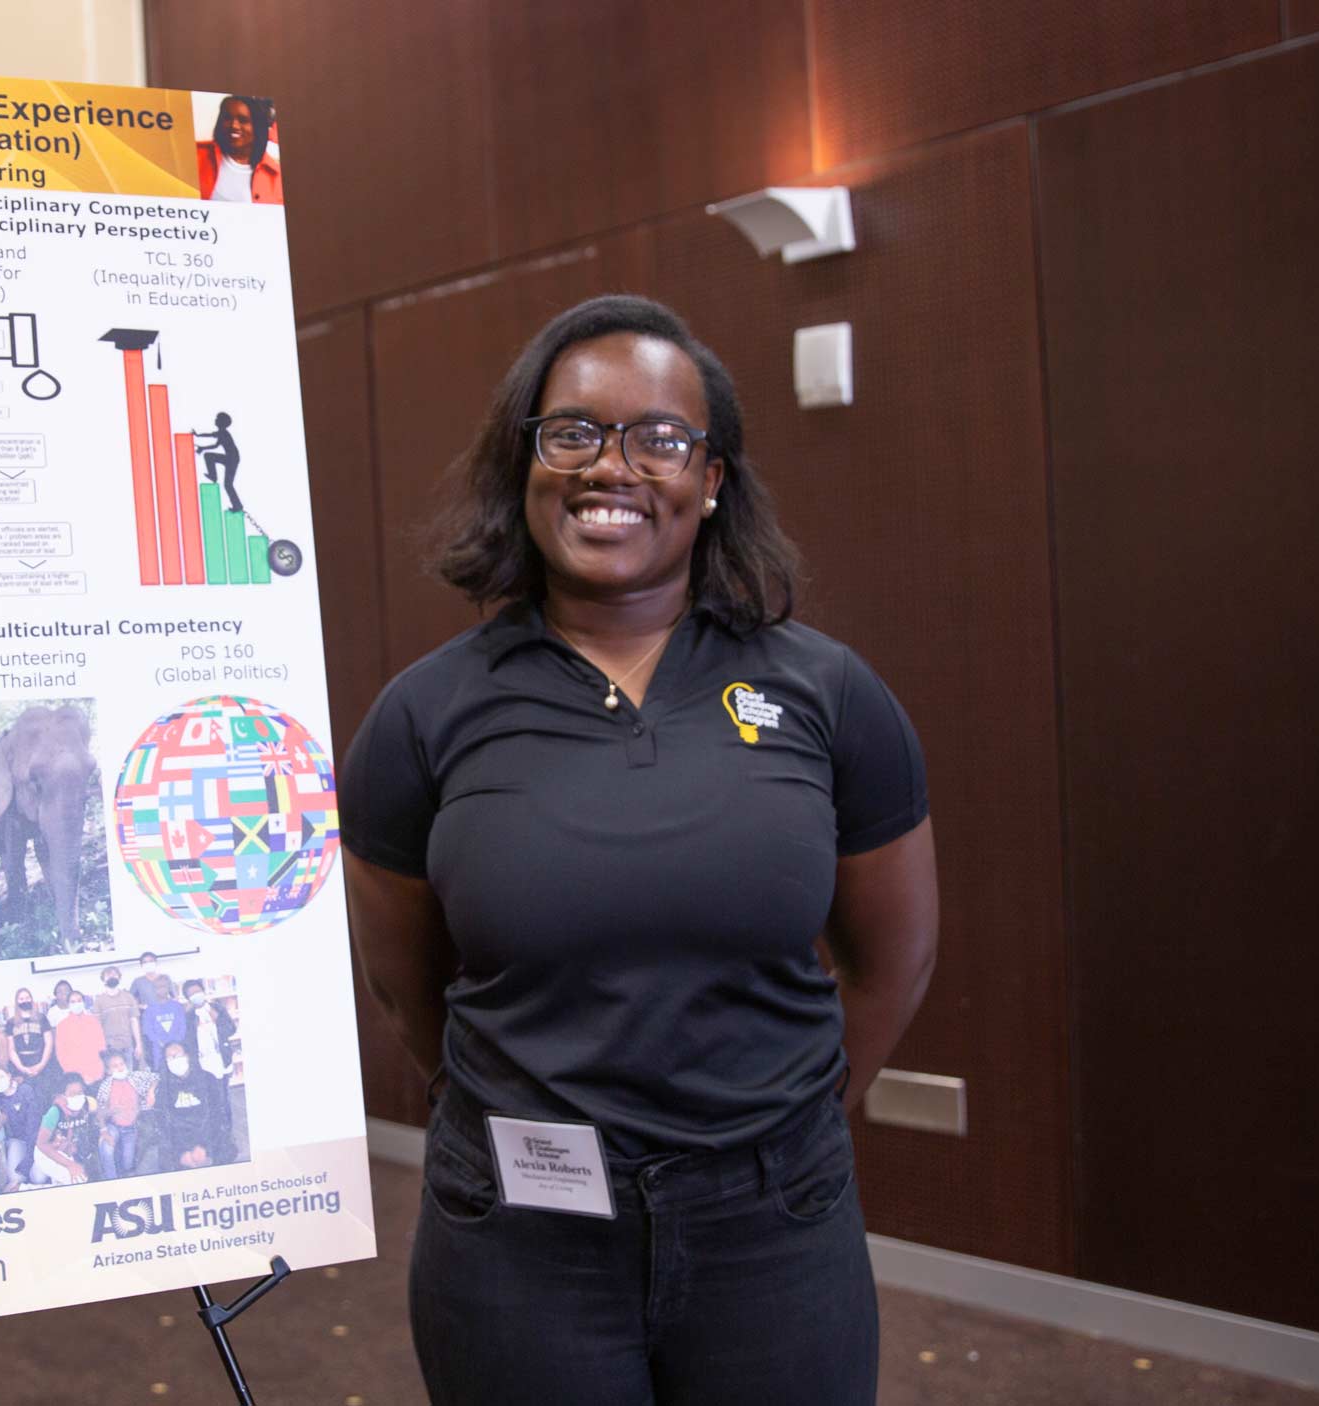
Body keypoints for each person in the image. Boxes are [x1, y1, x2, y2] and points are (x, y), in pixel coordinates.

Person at [340, 295, 937, 1406]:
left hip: (775, 1228)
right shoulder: (423, 716)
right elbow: (405, 985)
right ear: (522, 463)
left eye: (660, 437)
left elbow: (891, 960)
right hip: (521, 1239)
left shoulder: (826, 691)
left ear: (711, 481)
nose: (610, 466)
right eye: (572, 432)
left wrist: (778, 1127)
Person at [152, 1041, 229, 1170]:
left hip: (207, 1139)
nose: (174, 1060)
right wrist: (182, 1153)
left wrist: (204, 1147)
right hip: (180, 1146)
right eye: (169, 1058)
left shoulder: (208, 1079)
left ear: (187, 1056)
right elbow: (164, 1122)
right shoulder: (164, 1087)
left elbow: (217, 1114)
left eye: (177, 1055)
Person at [195, 94, 281, 204]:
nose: (234, 125)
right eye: (227, 118)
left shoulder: (276, 175)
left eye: (243, 120)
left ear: (258, 127)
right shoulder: (196, 154)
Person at [94, 1050, 157, 1179]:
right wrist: (104, 1130)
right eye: (115, 1066)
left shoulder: (135, 1077)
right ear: (108, 1071)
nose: (120, 1068)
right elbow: (99, 1113)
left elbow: (156, 1077)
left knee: (128, 1163)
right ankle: (111, 1180)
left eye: (121, 1064)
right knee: (106, 1149)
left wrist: (151, 1092)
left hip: (131, 1128)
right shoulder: (105, 1086)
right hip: (113, 1126)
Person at [27, 1076, 96, 1186]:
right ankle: (22, 1188)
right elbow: (41, 1144)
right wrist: (70, 1165)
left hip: (67, 1151)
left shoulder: (86, 1104)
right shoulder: (55, 1112)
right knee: (79, 1180)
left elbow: (100, 1113)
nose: (78, 1097)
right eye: (73, 1094)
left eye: (80, 1092)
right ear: (63, 1096)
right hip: (47, 1151)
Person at [0, 1066, 45, 1187]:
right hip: (17, 1140)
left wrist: (29, 1156)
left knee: (39, 1178)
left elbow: (33, 1123)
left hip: (35, 1140)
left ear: (9, 1076)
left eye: (1, 1076)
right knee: (15, 1177)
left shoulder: (25, 1090)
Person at [182, 978, 236, 1082]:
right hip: (203, 1064)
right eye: (192, 994)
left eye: (197, 991)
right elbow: (188, 1042)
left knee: (224, 1093)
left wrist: (215, 1016)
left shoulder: (218, 1008)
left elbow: (231, 1030)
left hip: (223, 1059)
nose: (196, 995)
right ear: (188, 998)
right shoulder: (188, 1017)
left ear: (203, 991)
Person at [51, 987, 106, 1088]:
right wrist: (77, 1075)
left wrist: (98, 1072)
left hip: (96, 1073)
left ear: (84, 1002)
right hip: (74, 1075)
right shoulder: (62, 1026)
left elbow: (101, 1047)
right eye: (73, 1002)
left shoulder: (93, 1021)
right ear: (68, 1005)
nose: (77, 1004)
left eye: (79, 1001)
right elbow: (61, 1054)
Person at [194, 412, 245, 513]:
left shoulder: (223, 433)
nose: (215, 420)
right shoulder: (222, 433)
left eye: (217, 419)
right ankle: (213, 476)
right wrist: (201, 446)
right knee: (209, 457)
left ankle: (237, 505)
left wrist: (198, 438)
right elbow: (215, 444)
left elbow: (212, 439)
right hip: (231, 458)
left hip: (232, 459)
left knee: (227, 484)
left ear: (221, 422)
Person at [93, 965, 142, 1068]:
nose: (112, 977)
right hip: (109, 1048)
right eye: (108, 975)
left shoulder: (128, 997)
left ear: (119, 977)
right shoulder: (99, 1001)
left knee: (128, 1076)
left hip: (127, 1046)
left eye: (115, 975)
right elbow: (97, 1028)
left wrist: (138, 1044)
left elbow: (134, 1021)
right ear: (103, 979)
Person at [139, 974, 191, 1063]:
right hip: (159, 1052)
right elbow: (148, 1031)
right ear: (154, 989)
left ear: (168, 988)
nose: (161, 990)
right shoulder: (149, 1010)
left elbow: (183, 1027)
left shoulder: (177, 1007)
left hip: (178, 1049)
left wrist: (175, 1043)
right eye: (158, 987)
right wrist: (160, 1042)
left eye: (164, 986)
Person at [7, 988, 53, 1084]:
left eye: (27, 997)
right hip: (20, 1064)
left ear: (32, 999)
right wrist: (22, 1068)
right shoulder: (11, 1022)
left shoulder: (41, 1018)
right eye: (21, 999)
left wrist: (41, 1065)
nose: (25, 1001)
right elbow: (11, 1049)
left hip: (40, 1061)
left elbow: (49, 1043)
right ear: (17, 1002)